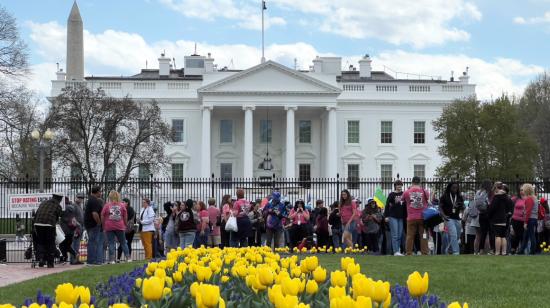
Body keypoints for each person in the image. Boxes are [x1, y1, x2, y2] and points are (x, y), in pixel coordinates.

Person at [33, 194, 63, 268]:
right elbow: (58, 216)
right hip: (49, 225)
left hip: (37, 224)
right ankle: (50, 263)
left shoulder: (43, 202)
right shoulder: (58, 206)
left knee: (41, 242)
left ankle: (41, 259)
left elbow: (36, 214)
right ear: (60, 200)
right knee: (50, 243)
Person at [101, 191, 131, 263]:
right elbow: (125, 216)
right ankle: (128, 258)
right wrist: (125, 224)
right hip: (120, 226)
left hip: (109, 226)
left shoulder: (107, 205)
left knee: (111, 243)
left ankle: (112, 260)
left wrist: (103, 224)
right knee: (123, 242)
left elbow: (102, 214)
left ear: (110, 197)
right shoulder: (122, 205)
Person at [403, 176, 429, 255]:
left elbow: (402, 200)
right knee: (423, 235)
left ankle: (409, 252)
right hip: (422, 217)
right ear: (420, 182)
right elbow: (427, 200)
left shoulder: (407, 192)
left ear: (412, 182)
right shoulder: (425, 191)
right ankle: (424, 252)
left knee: (410, 236)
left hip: (411, 217)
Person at [439, 182, 465, 255]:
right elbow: (440, 207)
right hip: (448, 218)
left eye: (456, 188)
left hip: (457, 218)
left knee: (458, 235)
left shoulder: (459, 196)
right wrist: (444, 215)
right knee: (453, 234)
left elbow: (463, 207)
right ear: (450, 188)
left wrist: (460, 206)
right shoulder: (444, 196)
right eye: (453, 188)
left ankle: (450, 249)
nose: (455, 189)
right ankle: (456, 252)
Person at [487, 182, 511, 255]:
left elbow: (492, 208)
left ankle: (497, 252)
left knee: (497, 236)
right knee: (503, 236)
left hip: (496, 218)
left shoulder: (496, 197)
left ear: (497, 188)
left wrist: (489, 213)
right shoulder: (506, 197)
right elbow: (509, 206)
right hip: (504, 218)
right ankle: (504, 252)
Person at [84, 186, 104, 265]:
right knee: (93, 242)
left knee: (92, 242)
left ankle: (91, 260)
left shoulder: (90, 199)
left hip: (89, 224)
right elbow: (95, 213)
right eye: (100, 192)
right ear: (97, 192)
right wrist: (99, 223)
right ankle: (92, 260)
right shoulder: (94, 201)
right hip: (93, 224)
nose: (101, 193)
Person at [384, 180, 405, 256]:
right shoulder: (392, 194)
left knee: (399, 235)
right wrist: (386, 216)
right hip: (393, 216)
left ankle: (397, 250)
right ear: (395, 186)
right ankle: (396, 251)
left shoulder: (404, 194)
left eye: (400, 185)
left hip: (401, 217)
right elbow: (387, 205)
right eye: (398, 185)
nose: (399, 186)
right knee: (395, 235)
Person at [474, 180, 493, 255]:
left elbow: (476, 203)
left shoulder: (478, 192)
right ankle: (490, 250)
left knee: (482, 233)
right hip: (488, 213)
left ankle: (480, 250)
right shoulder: (489, 192)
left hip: (481, 214)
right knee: (490, 233)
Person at [519, 183, 538, 255]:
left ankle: (532, 251)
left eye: (523, 189)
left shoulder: (529, 199)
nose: (522, 191)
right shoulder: (534, 198)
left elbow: (528, 211)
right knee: (526, 236)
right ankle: (521, 251)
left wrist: (525, 222)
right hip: (533, 218)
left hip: (530, 219)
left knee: (530, 235)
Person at [59, 197, 78, 263]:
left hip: (64, 230)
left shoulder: (63, 209)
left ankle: (64, 258)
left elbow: (60, 216)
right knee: (67, 245)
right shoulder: (72, 208)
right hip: (71, 230)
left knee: (61, 245)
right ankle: (74, 254)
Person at [70, 193, 85, 265]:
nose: (80, 199)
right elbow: (73, 218)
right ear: (76, 198)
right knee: (74, 244)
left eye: (81, 198)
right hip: (76, 228)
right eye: (79, 197)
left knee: (77, 244)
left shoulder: (79, 206)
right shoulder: (74, 205)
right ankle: (73, 259)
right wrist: (77, 226)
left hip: (80, 227)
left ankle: (77, 259)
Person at [510, 187, 526, 254]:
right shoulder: (516, 199)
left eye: (522, 190)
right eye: (520, 190)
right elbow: (509, 201)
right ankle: (513, 249)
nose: (521, 191)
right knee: (515, 235)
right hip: (515, 219)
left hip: (523, 220)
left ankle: (521, 250)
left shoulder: (527, 199)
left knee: (521, 235)